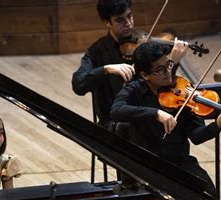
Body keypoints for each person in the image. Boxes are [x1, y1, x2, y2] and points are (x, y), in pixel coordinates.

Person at [110, 41, 221, 197]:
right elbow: (116, 111)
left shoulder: (182, 89)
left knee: (209, 195)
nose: (168, 72)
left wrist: (218, 125)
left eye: (169, 65)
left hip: (179, 163)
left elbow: (196, 136)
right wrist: (156, 113)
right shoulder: (134, 89)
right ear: (144, 75)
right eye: (161, 69)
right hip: (147, 164)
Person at [72, 0, 186, 131]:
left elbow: (162, 83)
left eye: (130, 16)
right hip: (115, 123)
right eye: (120, 20)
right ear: (107, 22)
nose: (128, 23)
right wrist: (106, 69)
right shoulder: (96, 51)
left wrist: (174, 63)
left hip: (148, 116)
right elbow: (78, 85)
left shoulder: (144, 44)